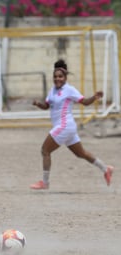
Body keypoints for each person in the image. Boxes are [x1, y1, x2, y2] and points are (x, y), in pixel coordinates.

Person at [30, 59, 113, 190]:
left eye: (60, 76)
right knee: (81, 154)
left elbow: (84, 101)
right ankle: (106, 168)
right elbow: (46, 106)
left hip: (64, 126)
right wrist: (38, 104)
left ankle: (45, 183)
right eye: (55, 77)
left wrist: (95, 97)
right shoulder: (52, 90)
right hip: (67, 128)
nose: (58, 79)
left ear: (65, 77)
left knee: (45, 150)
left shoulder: (69, 90)